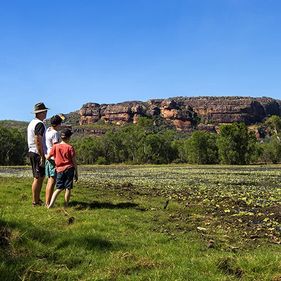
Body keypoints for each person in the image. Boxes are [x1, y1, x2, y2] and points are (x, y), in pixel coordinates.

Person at [47, 128, 78, 208]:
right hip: (69, 169)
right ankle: (66, 205)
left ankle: (50, 205)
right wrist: (76, 173)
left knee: (59, 188)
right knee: (68, 188)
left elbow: (48, 157)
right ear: (69, 137)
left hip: (59, 170)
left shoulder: (55, 146)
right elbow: (74, 161)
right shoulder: (70, 147)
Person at [27, 102, 48, 206]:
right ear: (41, 113)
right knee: (38, 177)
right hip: (36, 152)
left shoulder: (32, 122)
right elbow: (38, 140)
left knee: (40, 176)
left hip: (32, 151)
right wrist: (42, 155)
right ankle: (35, 201)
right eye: (45, 111)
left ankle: (38, 199)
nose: (46, 113)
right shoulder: (39, 124)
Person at [45, 114, 64, 207]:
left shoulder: (48, 130)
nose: (61, 125)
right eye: (60, 123)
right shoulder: (55, 133)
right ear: (57, 124)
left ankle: (47, 202)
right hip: (53, 159)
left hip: (48, 157)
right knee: (52, 181)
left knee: (50, 180)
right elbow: (55, 147)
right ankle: (48, 203)